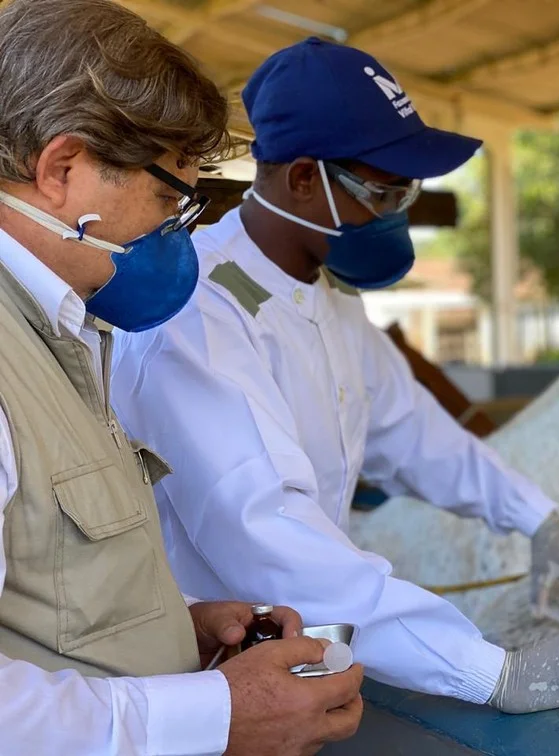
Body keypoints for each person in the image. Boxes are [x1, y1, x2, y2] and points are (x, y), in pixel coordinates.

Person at [110, 37, 559, 714]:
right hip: (202, 679)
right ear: (303, 179)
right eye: (383, 192)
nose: (396, 216)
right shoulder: (198, 311)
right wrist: (491, 671)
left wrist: (535, 518)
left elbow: (414, 432)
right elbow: (272, 534)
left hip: (293, 650)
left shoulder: (328, 298)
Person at [0, 2, 363, 753]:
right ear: (62, 169)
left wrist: (169, 628)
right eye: (170, 199)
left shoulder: (61, 335)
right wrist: (212, 716)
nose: (179, 232)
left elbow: (39, 598)